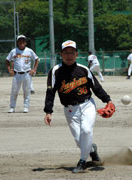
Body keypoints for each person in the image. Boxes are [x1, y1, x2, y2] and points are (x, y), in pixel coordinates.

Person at [43, 40, 115, 173]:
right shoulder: (55, 71)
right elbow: (50, 92)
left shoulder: (84, 69)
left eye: (71, 53)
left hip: (87, 105)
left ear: (76, 54)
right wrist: (48, 111)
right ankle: (92, 150)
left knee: (86, 131)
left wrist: (108, 100)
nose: (69, 55)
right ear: (61, 54)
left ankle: (82, 162)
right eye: (66, 53)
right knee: (80, 142)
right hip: (70, 110)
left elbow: (96, 87)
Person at [6, 35, 39, 113]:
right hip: (17, 74)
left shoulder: (29, 51)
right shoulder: (14, 51)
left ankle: (26, 107)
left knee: (26, 91)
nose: (22, 43)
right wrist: (10, 69)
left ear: (25, 43)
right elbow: (7, 60)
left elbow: (37, 59)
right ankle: (12, 107)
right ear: (17, 43)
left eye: (23, 41)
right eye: (20, 41)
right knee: (14, 91)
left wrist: (34, 70)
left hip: (27, 73)